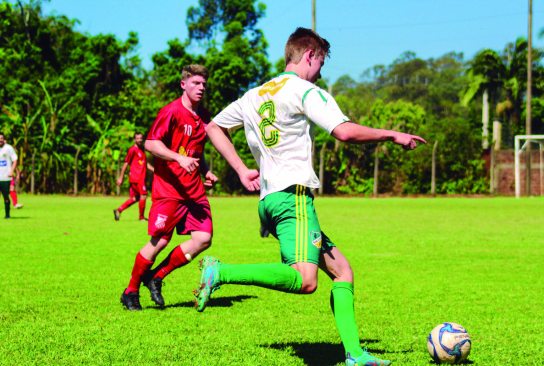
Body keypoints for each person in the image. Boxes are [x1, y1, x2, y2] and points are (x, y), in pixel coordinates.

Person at [195, 27, 426, 366]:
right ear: (310, 56)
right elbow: (344, 132)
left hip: (270, 201)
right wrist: (392, 134)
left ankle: (355, 354)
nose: (321, 72)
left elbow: (212, 126)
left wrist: (243, 170)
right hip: (294, 199)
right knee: (305, 280)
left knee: (342, 271)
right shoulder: (305, 91)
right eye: (321, 64)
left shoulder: (254, 94)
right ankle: (222, 273)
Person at [120, 64, 218, 311]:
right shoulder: (171, 112)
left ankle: (157, 276)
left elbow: (197, 152)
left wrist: (205, 170)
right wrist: (178, 158)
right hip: (169, 190)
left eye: (204, 84)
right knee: (160, 242)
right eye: (196, 83)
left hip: (194, 190)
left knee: (203, 238)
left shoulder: (203, 117)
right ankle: (130, 291)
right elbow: (152, 144)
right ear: (183, 84)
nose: (201, 88)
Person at [113, 132, 154, 221]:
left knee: (136, 198)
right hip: (137, 177)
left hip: (140, 177)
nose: (140, 140)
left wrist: (155, 170)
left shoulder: (142, 149)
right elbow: (126, 163)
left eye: (141, 138)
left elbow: (145, 164)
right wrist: (121, 177)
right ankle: (141, 217)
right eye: (138, 138)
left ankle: (119, 210)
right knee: (143, 196)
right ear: (134, 140)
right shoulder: (132, 150)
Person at [0, 133, 19, 219]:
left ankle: (7, 215)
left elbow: (15, 159)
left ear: (4, 139)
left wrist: (11, 171)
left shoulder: (8, 148)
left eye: (1, 138)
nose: (0, 140)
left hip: (5, 177)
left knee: (5, 196)